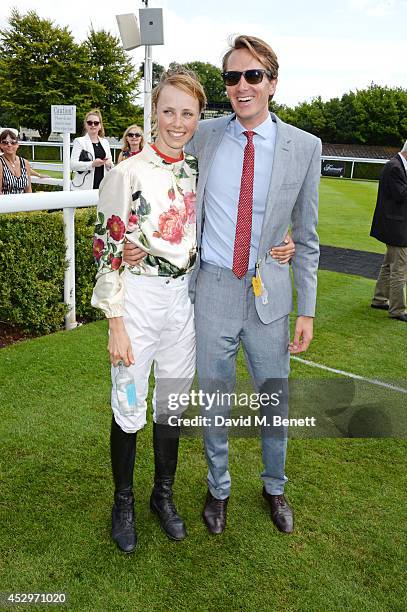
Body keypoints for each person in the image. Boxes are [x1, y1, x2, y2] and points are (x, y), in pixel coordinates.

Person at [124, 34, 320, 536]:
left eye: (253, 75)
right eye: (233, 77)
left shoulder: (306, 147)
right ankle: (218, 488)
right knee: (214, 399)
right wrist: (133, 231)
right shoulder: (205, 135)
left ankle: (274, 485)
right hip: (211, 288)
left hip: (269, 293)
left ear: (272, 82)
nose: (242, 85)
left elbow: (309, 234)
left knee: (273, 399)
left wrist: (307, 308)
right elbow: (158, 170)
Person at [91, 68, 207, 553]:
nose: (177, 122)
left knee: (172, 403)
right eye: (168, 111)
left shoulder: (198, 170)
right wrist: (116, 325)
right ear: (153, 112)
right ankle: (124, 502)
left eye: (187, 113)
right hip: (136, 306)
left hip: (182, 307)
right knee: (129, 402)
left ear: (199, 117)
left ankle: (163, 495)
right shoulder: (126, 172)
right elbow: (106, 249)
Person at [370, 140, 407, 321]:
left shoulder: (396, 165)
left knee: (388, 264)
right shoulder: (395, 167)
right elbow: (401, 195)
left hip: (395, 225)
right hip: (397, 227)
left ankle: (379, 298)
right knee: (399, 269)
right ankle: (397, 309)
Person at [70, 109, 113, 190]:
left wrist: (109, 164)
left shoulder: (105, 142)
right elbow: (73, 165)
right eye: (90, 122)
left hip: (102, 187)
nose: (93, 125)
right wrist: (92, 164)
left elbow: (110, 163)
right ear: (86, 125)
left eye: (96, 123)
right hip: (83, 187)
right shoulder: (79, 141)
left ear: (100, 126)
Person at [0, 129, 32, 194]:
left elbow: (28, 189)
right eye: (5, 142)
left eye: (13, 142)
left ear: (17, 145)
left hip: (23, 202)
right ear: (1, 145)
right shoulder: (1, 163)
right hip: (6, 202)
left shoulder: (25, 163)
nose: (9, 145)